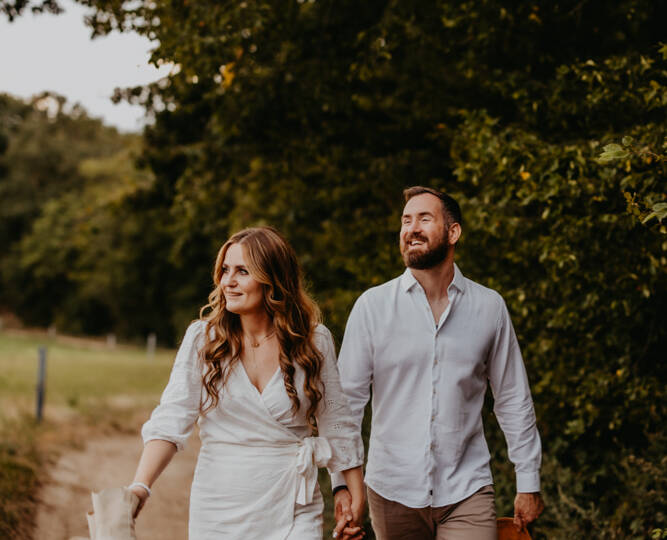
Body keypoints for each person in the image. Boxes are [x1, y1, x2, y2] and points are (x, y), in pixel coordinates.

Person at [331, 186, 545, 539]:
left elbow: (512, 399)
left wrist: (529, 480)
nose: (411, 228)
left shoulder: (489, 307)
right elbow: (347, 404)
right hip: (390, 490)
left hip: (467, 488)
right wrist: (342, 484)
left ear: (453, 232)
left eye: (424, 219)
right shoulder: (372, 307)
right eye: (405, 220)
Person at [128, 226, 366, 540]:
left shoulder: (313, 340)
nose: (228, 281)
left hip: (294, 502)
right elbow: (171, 419)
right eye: (225, 270)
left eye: (242, 271)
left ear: (274, 279)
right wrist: (140, 487)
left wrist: (351, 492)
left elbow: (337, 423)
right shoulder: (203, 339)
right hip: (219, 506)